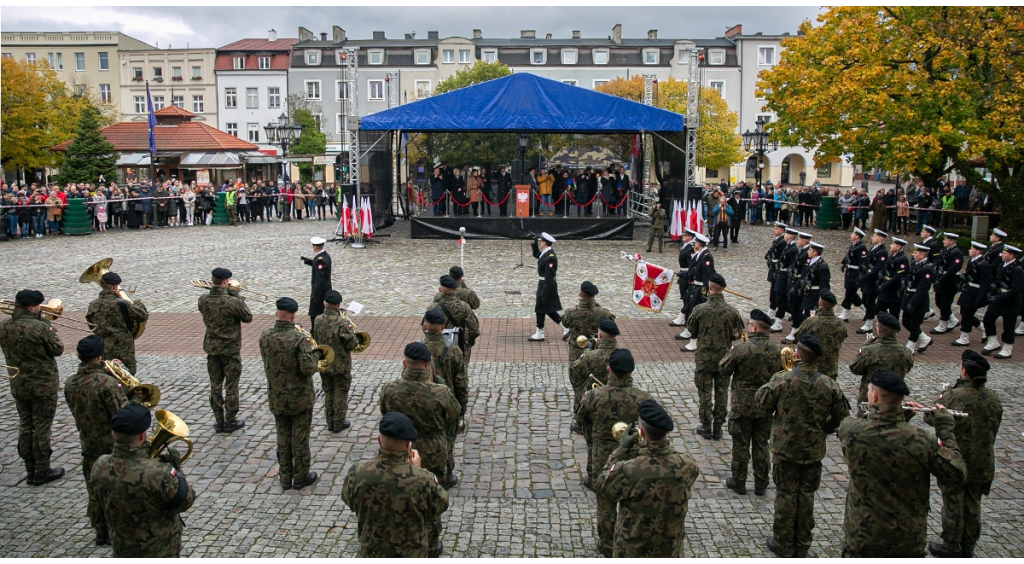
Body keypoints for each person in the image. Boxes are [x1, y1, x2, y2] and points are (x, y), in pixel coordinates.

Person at [838, 369, 966, 557]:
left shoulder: (850, 430)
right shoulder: (922, 440)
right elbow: (957, 474)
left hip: (862, 537)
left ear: (873, 396)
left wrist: (896, 416)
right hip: (907, 539)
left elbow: (872, 428)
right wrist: (945, 430)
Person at [755, 335, 850, 558]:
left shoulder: (783, 380)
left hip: (786, 449)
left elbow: (762, 402)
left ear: (797, 355)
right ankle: (803, 543)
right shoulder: (829, 384)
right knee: (806, 495)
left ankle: (784, 543)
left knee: (786, 496)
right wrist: (825, 428)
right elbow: (842, 416)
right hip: (813, 449)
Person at [379, 342, 460, 552]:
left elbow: (385, 415)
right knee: (430, 500)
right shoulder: (441, 391)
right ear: (427, 365)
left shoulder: (389, 389)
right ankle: (431, 545)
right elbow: (453, 416)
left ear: (404, 363)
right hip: (433, 452)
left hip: (399, 451)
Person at [595, 399, 699, 558]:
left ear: (641, 433)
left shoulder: (628, 470)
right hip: (671, 552)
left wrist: (621, 450)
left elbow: (602, 483)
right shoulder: (688, 466)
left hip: (633, 552)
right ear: (667, 433)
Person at [575, 349, 654, 557]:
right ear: (630, 372)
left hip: (603, 458)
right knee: (634, 504)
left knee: (606, 507)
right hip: (635, 460)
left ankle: (608, 547)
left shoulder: (594, 395)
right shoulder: (644, 398)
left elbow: (580, 419)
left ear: (608, 369)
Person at [90, 404, 197, 557]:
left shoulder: (100, 464)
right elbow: (186, 500)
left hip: (121, 546)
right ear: (142, 435)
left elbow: (96, 506)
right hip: (160, 549)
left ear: (113, 435)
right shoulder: (158, 472)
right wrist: (176, 470)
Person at [928, 350, 1003, 558]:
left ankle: (950, 545)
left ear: (964, 371)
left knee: (953, 502)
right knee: (973, 503)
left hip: (956, 458)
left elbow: (933, 419)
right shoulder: (993, 398)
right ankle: (968, 547)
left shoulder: (952, 396)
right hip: (983, 460)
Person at [342, 412, 449, 558]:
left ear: (379, 440)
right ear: (407, 444)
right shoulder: (422, 479)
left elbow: (349, 500)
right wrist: (417, 469)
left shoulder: (358, 472)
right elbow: (440, 505)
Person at [63, 335, 129, 545]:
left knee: (94, 488)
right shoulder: (107, 383)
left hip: (88, 443)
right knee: (115, 489)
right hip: (111, 445)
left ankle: (100, 531)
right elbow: (122, 415)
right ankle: (114, 530)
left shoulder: (70, 381)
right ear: (100, 356)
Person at [0, 289, 66, 486]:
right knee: (41, 427)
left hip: (19, 384)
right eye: (38, 306)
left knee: (25, 425)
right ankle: (43, 470)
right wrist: (45, 323)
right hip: (42, 384)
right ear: (31, 307)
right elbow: (58, 349)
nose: (41, 308)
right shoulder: (40, 327)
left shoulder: (3, 327)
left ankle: (30, 470)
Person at [259, 297, 321, 491]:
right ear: (293, 315)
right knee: (300, 438)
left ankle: (285, 476)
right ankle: (301, 476)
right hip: (299, 397)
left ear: (277, 313)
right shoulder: (299, 338)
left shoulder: (265, 335)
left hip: (277, 395)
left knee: (282, 435)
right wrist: (316, 353)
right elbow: (308, 369)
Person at [718, 309, 782, 496]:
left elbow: (723, 368)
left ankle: (739, 481)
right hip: (765, 405)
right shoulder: (778, 350)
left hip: (743, 405)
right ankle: (761, 483)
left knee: (741, 444)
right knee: (762, 444)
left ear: (754, 327)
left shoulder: (742, 349)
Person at [687, 273, 744, 439]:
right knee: (721, 393)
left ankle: (706, 426)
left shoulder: (700, 309)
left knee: (705, 394)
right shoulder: (732, 312)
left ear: (710, 288)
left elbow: (691, 329)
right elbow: (737, 335)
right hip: (724, 359)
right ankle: (718, 427)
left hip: (704, 359)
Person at [198, 267, 252, 433]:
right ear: (225, 281)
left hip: (212, 349)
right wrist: (235, 295)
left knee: (215, 385)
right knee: (231, 386)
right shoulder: (233, 302)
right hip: (230, 350)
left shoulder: (203, 299)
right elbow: (247, 317)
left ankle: (218, 420)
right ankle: (230, 419)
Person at [313, 290, 360, 432]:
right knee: (340, 392)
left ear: (324, 304)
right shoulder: (343, 323)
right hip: (341, 365)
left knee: (328, 391)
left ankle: (329, 421)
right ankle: (338, 423)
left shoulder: (318, 319)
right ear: (338, 305)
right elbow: (352, 345)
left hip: (325, 362)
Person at [849, 312, 914, 416]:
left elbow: (855, 368)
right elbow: (907, 368)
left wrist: (865, 347)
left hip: (871, 397)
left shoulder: (870, 350)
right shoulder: (906, 352)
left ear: (879, 330)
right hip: (894, 397)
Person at [86, 272, 149, 376]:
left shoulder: (93, 305)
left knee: (106, 375)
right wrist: (138, 303)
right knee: (126, 375)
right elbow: (142, 316)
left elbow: (91, 325)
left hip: (103, 348)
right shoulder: (122, 303)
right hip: (123, 349)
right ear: (115, 286)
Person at [420, 309, 468, 431]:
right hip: (447, 402)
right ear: (443, 327)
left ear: (425, 326)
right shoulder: (454, 350)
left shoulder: (417, 350)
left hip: (422, 402)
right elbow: (460, 381)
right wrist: (461, 408)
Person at [569, 318, 621, 432]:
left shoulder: (591, 356)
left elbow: (575, 372)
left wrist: (587, 351)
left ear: (600, 336)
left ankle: (581, 424)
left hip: (595, 395)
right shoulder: (623, 355)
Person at [560, 279, 615, 370]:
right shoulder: (603, 313)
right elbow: (610, 323)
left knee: (576, 377)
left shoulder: (570, 312)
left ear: (580, 295)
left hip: (576, 352)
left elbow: (565, 323)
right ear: (593, 296)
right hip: (596, 353)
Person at [981, 245, 1023, 359]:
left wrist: (997, 298)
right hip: (999, 297)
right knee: (988, 319)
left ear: (1012, 255)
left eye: (1005, 253)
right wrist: (994, 285)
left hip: (1010, 302)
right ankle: (992, 341)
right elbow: (998, 279)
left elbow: (1015, 290)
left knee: (1008, 326)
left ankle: (1007, 348)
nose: (1002, 255)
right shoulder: (1002, 265)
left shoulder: (1017, 270)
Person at [794, 291, 848, 379]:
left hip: (812, 368)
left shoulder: (811, 322)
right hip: (831, 368)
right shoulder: (840, 323)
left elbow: (798, 338)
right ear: (833, 306)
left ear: (819, 303)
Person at [677, 233, 715, 349]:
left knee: (695, 313)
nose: (694, 245)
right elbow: (693, 271)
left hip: (699, 288)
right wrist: (683, 275)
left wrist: (704, 293)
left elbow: (707, 276)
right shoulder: (699, 255)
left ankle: (694, 341)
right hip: (693, 286)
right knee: (689, 309)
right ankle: (688, 330)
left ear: (699, 244)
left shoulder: (706, 256)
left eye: (695, 243)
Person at [951, 241, 993, 347]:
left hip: (976, 292)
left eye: (972, 249)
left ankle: (964, 337)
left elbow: (985, 283)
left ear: (978, 251)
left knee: (967, 314)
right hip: (968, 290)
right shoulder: (972, 261)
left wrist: (980, 298)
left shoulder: (984, 265)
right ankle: (982, 328)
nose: (969, 250)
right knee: (964, 312)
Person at [432, 275, 481, 364]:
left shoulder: (433, 307)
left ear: (440, 289)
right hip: (459, 343)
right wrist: (470, 341)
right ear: (454, 290)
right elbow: (474, 329)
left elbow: (425, 327)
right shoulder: (464, 306)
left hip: (438, 345)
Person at [528, 232, 566, 341]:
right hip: (543, 284)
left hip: (547, 284)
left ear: (545, 243)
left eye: (540, 241)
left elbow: (549, 276)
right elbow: (537, 255)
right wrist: (534, 243)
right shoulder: (545, 253)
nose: (540, 243)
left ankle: (540, 332)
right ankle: (565, 327)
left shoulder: (550, 257)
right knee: (546, 309)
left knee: (541, 308)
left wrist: (544, 292)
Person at [901, 244, 937, 353]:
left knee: (914, 324)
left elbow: (922, 289)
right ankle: (925, 339)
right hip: (909, 296)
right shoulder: (915, 264)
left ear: (922, 255)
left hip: (918, 301)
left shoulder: (927, 269)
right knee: (906, 322)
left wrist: (913, 304)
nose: (913, 254)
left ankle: (910, 346)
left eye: (915, 253)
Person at [930, 233, 964, 335]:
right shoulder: (946, 250)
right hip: (941, 279)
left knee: (945, 303)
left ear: (952, 241)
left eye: (946, 239)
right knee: (938, 302)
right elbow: (938, 259)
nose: (944, 241)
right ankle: (953, 320)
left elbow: (953, 269)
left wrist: (941, 280)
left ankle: (943, 324)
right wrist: (935, 267)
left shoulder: (957, 253)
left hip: (950, 281)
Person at [770, 228, 800, 332]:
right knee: (779, 298)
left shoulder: (793, 249)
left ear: (790, 236)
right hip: (781, 274)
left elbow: (792, 265)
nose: (785, 235)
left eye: (786, 233)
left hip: (785, 277)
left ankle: (778, 323)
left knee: (782, 300)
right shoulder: (788, 246)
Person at [301, 236, 332, 328]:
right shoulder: (324, 256)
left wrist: (316, 295)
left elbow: (320, 279)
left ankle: (315, 332)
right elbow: (321, 266)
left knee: (314, 313)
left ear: (315, 247)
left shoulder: (320, 260)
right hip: (326, 289)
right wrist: (309, 262)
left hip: (320, 292)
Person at [838, 228, 868, 321]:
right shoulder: (853, 245)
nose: (851, 235)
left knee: (849, 293)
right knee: (852, 293)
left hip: (855, 273)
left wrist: (860, 275)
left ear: (857, 236)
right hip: (850, 272)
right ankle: (866, 310)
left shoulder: (861, 247)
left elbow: (863, 263)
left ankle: (845, 313)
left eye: (853, 234)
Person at [876, 237, 910, 319]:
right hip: (885, 290)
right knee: (879, 310)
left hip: (894, 291)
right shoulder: (892, 256)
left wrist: (883, 286)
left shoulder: (903, 260)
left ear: (898, 247)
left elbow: (897, 277)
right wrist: (881, 273)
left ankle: (892, 331)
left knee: (893, 314)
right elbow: (885, 267)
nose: (890, 245)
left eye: (893, 244)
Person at [765, 222, 788, 318]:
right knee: (773, 289)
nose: (774, 230)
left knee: (776, 290)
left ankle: (773, 309)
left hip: (778, 267)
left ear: (782, 230)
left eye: (776, 228)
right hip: (774, 266)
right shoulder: (778, 239)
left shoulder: (783, 241)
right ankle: (772, 308)